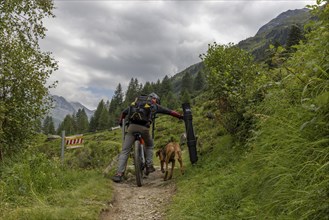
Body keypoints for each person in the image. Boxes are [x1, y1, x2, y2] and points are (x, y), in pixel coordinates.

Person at [112, 92, 183, 183]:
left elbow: (123, 113)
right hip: (144, 128)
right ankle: (149, 165)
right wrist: (180, 116)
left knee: (125, 151)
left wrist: (120, 123)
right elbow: (169, 112)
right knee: (149, 145)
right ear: (156, 99)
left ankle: (119, 174)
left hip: (131, 128)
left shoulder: (136, 103)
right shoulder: (154, 105)